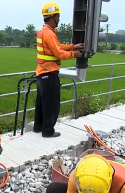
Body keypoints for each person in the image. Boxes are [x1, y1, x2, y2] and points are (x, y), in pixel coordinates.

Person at [34, 1, 84, 138]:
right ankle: (48, 131)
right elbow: (58, 53)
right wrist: (74, 54)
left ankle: (38, 127)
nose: (59, 19)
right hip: (49, 73)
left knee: (41, 102)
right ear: (52, 16)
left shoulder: (43, 31)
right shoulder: (49, 34)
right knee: (51, 104)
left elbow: (57, 47)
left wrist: (72, 46)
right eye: (58, 16)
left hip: (41, 73)